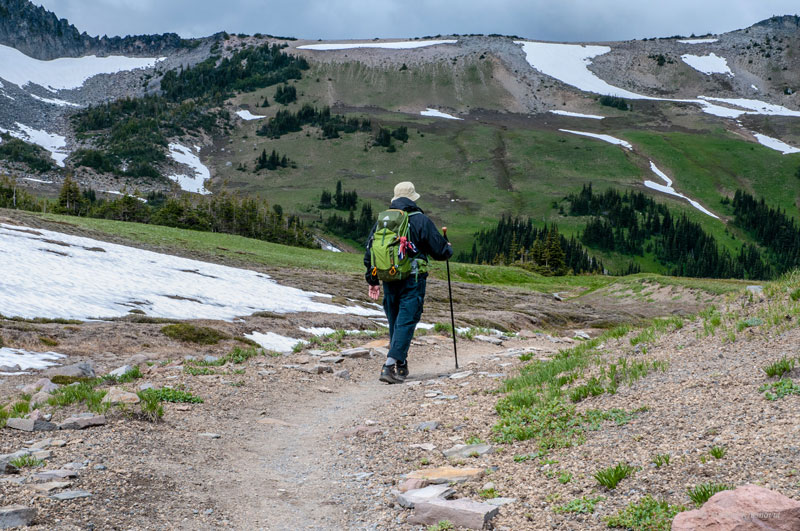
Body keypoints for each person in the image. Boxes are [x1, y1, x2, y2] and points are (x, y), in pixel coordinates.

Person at [364, 181, 453, 384]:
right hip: (413, 279)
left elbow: (370, 251)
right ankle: (388, 366)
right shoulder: (420, 220)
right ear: (412, 199)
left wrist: (373, 279)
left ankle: (400, 363)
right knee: (406, 320)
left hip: (389, 278)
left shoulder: (383, 221)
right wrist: (448, 249)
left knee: (395, 321)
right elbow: (439, 251)